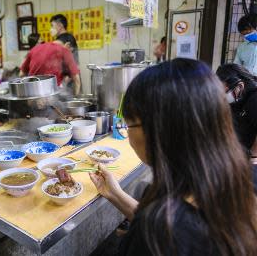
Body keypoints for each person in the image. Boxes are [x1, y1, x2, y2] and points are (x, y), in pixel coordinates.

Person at [90, 59, 257, 255]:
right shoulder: (245, 177)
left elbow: (165, 229)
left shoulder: (160, 231)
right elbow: (177, 221)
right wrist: (115, 194)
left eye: (130, 124)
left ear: (158, 132)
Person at [216, 63, 257, 158]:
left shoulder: (254, 98)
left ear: (240, 85)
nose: (224, 95)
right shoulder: (237, 98)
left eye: (226, 91)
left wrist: (253, 155)